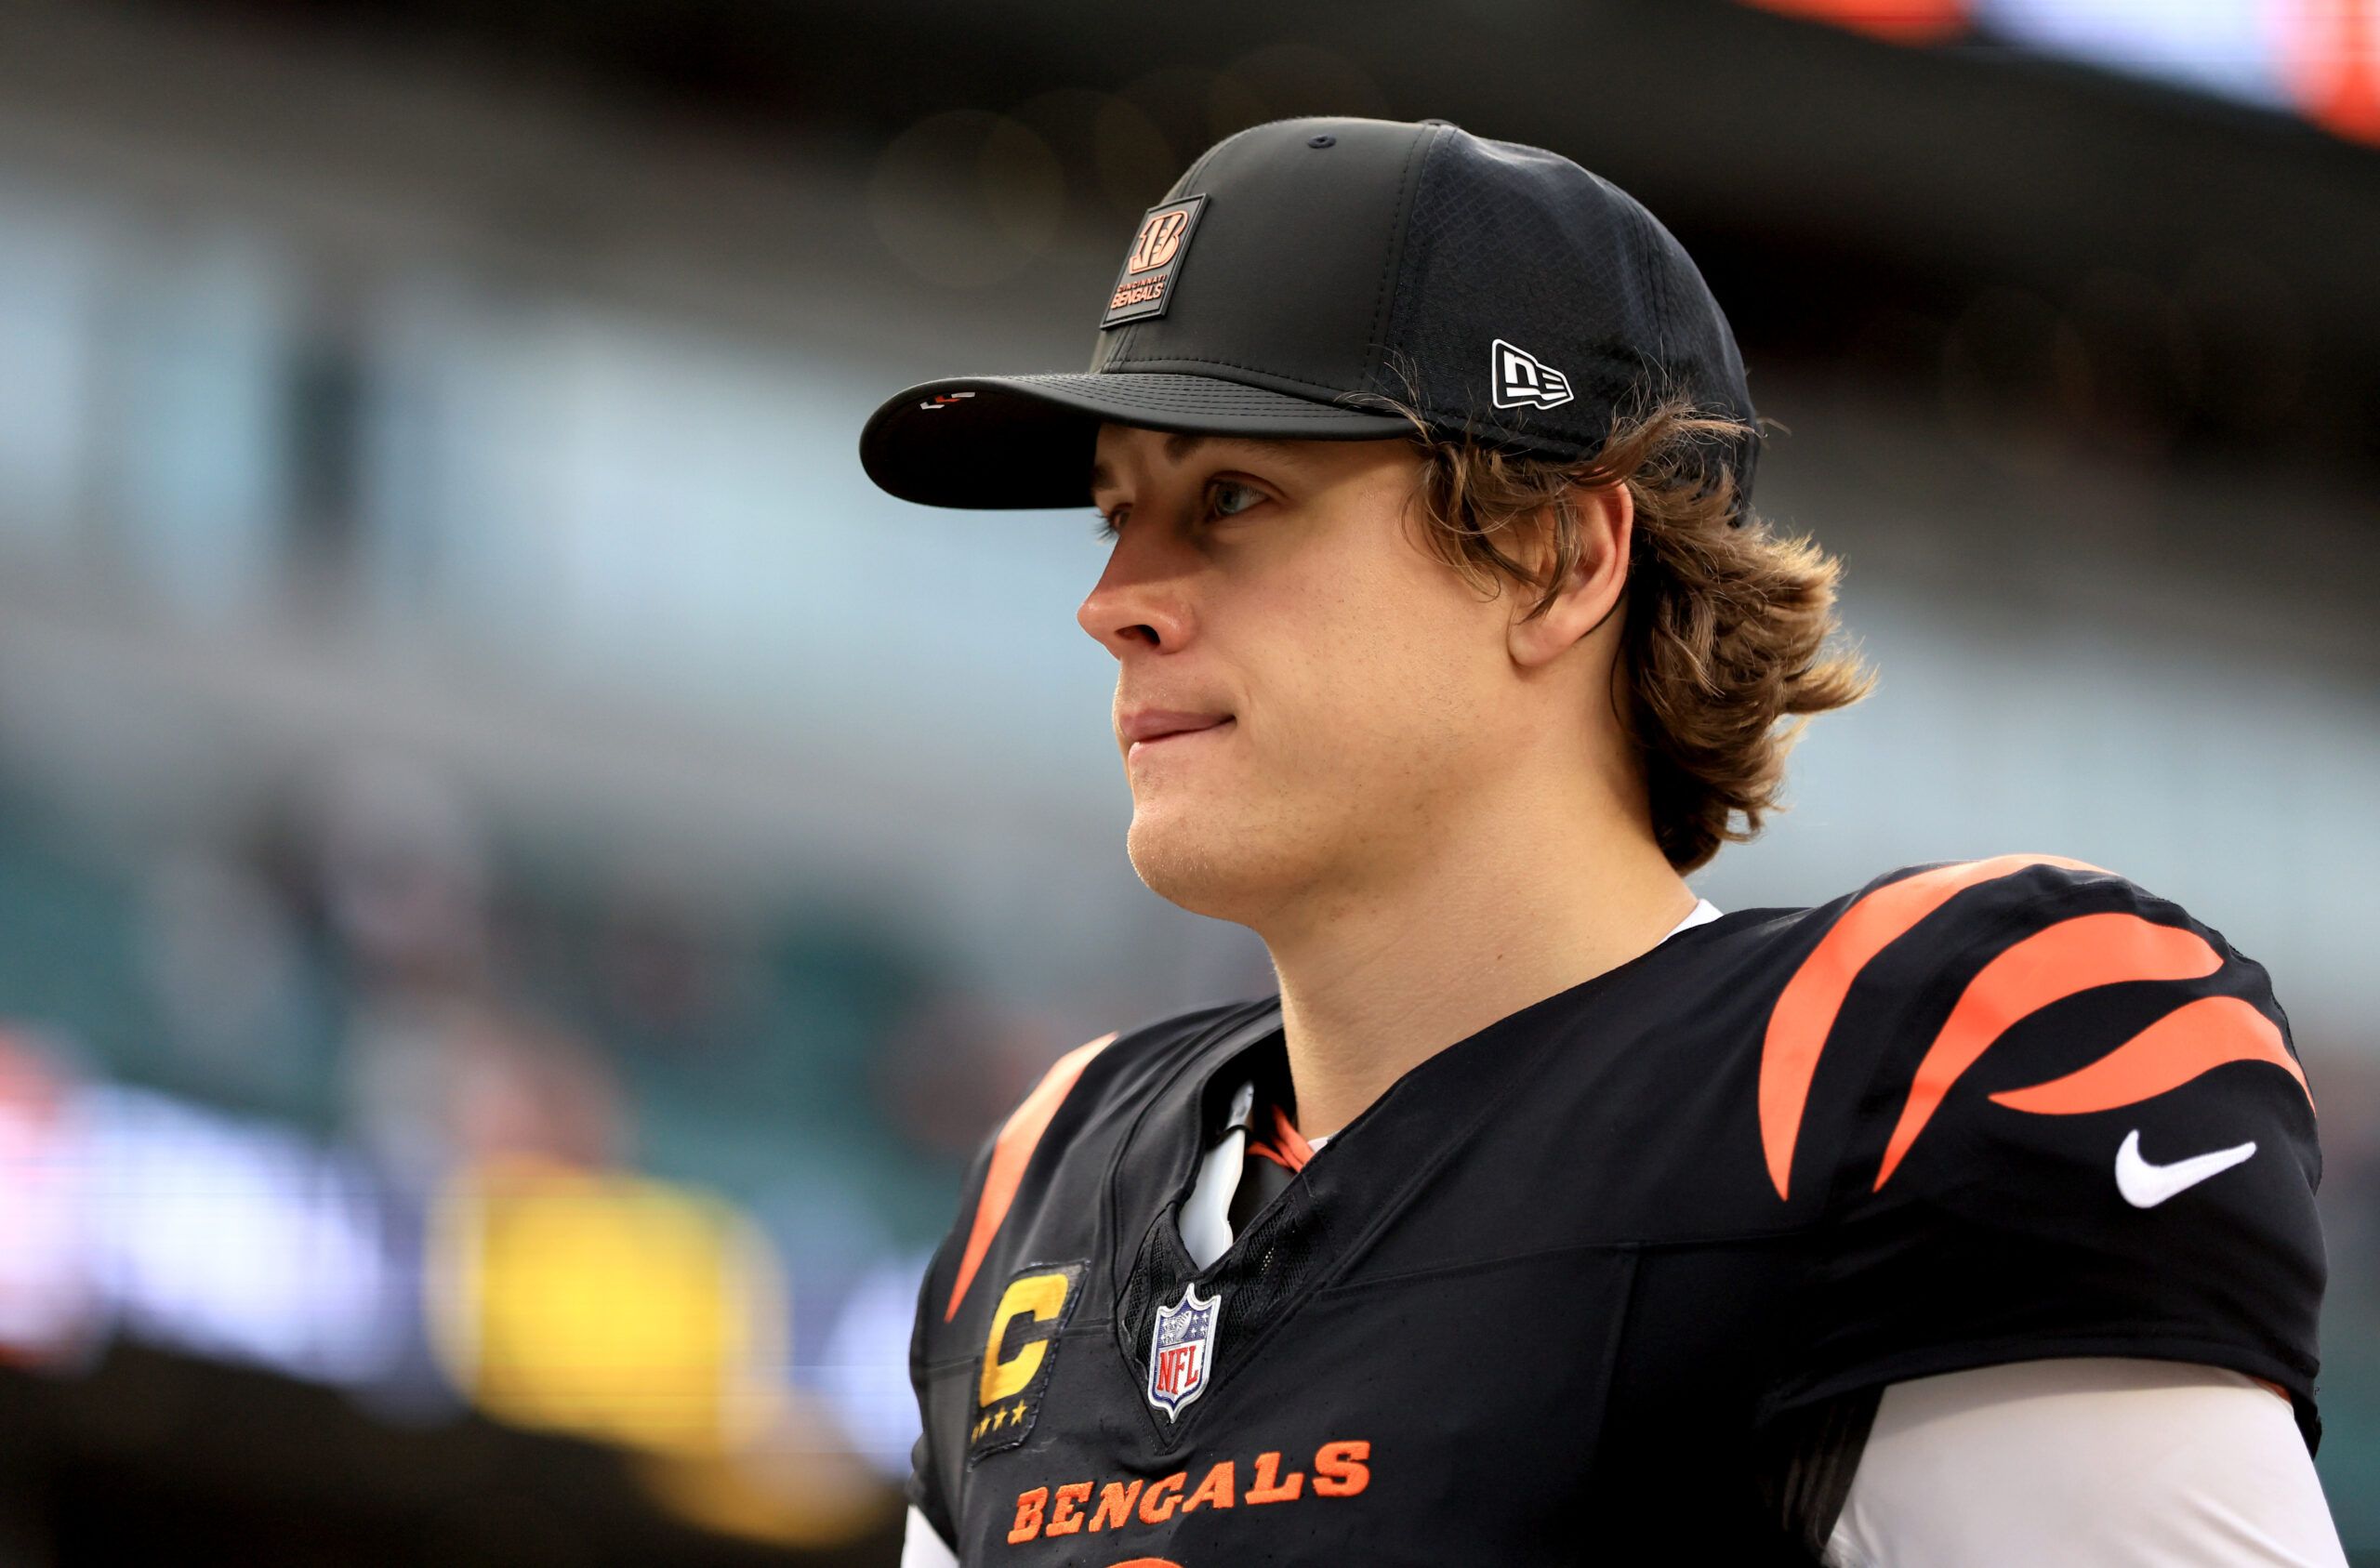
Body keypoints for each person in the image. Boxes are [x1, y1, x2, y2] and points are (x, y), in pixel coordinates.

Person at [856, 116, 2343, 1565]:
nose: (1111, 600)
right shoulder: (1051, 1181)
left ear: (1558, 557)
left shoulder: (1877, 1095)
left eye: (1232, 498)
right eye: (1113, 514)